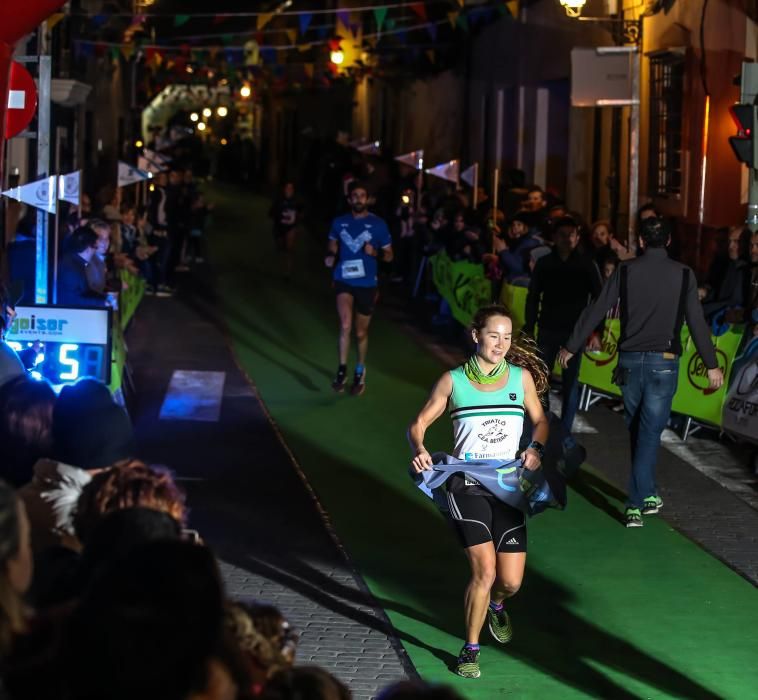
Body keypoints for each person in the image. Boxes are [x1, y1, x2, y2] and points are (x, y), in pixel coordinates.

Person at [408, 304, 549, 679]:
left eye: (506, 336)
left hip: (506, 485)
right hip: (466, 483)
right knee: (484, 572)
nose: (500, 343)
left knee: (510, 582)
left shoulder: (521, 380)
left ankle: (497, 606)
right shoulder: (452, 381)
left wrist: (535, 448)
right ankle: (470, 650)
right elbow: (419, 423)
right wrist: (419, 448)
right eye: (493, 335)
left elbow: (540, 421)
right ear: (476, 335)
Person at [559, 217, 724, 527]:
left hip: (630, 362)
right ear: (670, 241)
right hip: (664, 362)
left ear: (642, 242)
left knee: (639, 428)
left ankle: (647, 492)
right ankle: (635, 502)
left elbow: (597, 308)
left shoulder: (625, 270)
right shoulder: (684, 274)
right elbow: (696, 322)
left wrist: (571, 344)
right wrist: (711, 364)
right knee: (648, 430)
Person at [524, 216, 601, 433]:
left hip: (574, 333)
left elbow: (599, 298)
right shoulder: (545, 263)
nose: (568, 239)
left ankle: (565, 429)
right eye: (563, 235)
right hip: (547, 327)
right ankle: (543, 423)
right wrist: (530, 325)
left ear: (578, 237)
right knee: (542, 378)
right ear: (554, 238)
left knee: (570, 381)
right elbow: (533, 296)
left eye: (572, 234)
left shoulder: (586, 264)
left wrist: (595, 330)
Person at [325, 180, 393, 396]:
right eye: (354, 195)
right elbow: (332, 242)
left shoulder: (379, 225)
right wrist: (330, 255)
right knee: (345, 324)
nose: (358, 199)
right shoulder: (339, 222)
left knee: (361, 332)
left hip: (367, 284)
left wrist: (376, 253)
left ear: (368, 199)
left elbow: (390, 255)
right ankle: (342, 369)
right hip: (344, 279)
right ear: (349, 199)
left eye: (362, 195)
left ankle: (360, 369)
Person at [56, 226, 107, 308]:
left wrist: (104, 298)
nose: (95, 252)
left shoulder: (75, 262)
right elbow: (71, 300)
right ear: (88, 248)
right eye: (95, 247)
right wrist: (102, 302)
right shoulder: (70, 269)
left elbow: (84, 292)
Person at [268, 182, 301, 279]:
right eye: (287, 188)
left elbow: (301, 212)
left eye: (291, 188)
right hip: (279, 228)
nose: (289, 190)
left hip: (291, 228)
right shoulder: (279, 200)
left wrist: (296, 221)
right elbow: (271, 213)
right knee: (280, 246)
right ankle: (280, 261)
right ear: (284, 189)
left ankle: (287, 272)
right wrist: (277, 215)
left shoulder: (297, 202)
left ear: (294, 191)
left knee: (289, 249)